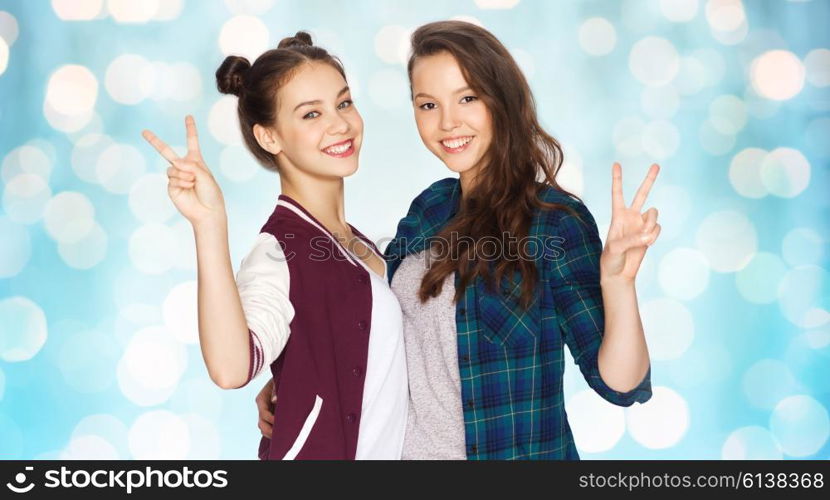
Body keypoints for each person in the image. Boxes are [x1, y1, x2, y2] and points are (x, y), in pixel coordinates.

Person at [257, 20, 660, 460]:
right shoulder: (427, 210)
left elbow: (621, 384)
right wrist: (295, 378)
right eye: (428, 104)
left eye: (468, 98)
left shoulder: (552, 224)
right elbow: (371, 323)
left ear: (500, 100)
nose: (448, 122)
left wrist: (620, 285)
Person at [142, 32, 408, 460]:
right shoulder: (278, 250)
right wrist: (210, 224)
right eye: (310, 115)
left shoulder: (362, 246)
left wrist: (293, 378)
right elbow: (231, 368)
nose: (339, 124)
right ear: (270, 138)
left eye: (343, 103)